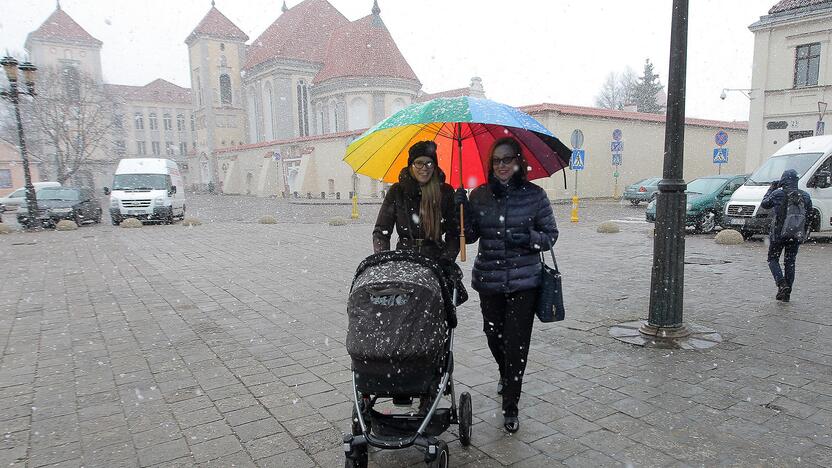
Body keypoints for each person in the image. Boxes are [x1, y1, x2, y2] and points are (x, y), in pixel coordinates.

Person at [455, 137, 558, 433]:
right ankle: (506, 372)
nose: (502, 165)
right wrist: (460, 211)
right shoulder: (480, 195)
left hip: (525, 283)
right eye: (497, 161)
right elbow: (471, 236)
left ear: (518, 161)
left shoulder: (535, 196)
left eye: (507, 159)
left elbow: (550, 235)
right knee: (493, 335)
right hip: (490, 280)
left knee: (516, 345)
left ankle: (510, 404)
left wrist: (528, 239)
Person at [373, 140, 459, 262]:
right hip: (404, 258)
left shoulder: (445, 192)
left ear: (434, 166)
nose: (424, 168)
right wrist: (383, 259)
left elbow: (454, 234)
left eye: (429, 163)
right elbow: (381, 231)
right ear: (411, 165)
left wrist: (446, 260)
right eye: (419, 163)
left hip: (436, 259)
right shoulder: (397, 191)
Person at [760, 169, 812, 302]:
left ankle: (781, 284)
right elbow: (809, 216)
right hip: (795, 234)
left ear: (783, 180)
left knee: (772, 259)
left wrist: (771, 189)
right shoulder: (805, 196)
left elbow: (764, 204)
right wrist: (803, 233)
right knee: (790, 262)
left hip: (779, 234)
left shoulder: (778, 194)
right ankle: (786, 294)